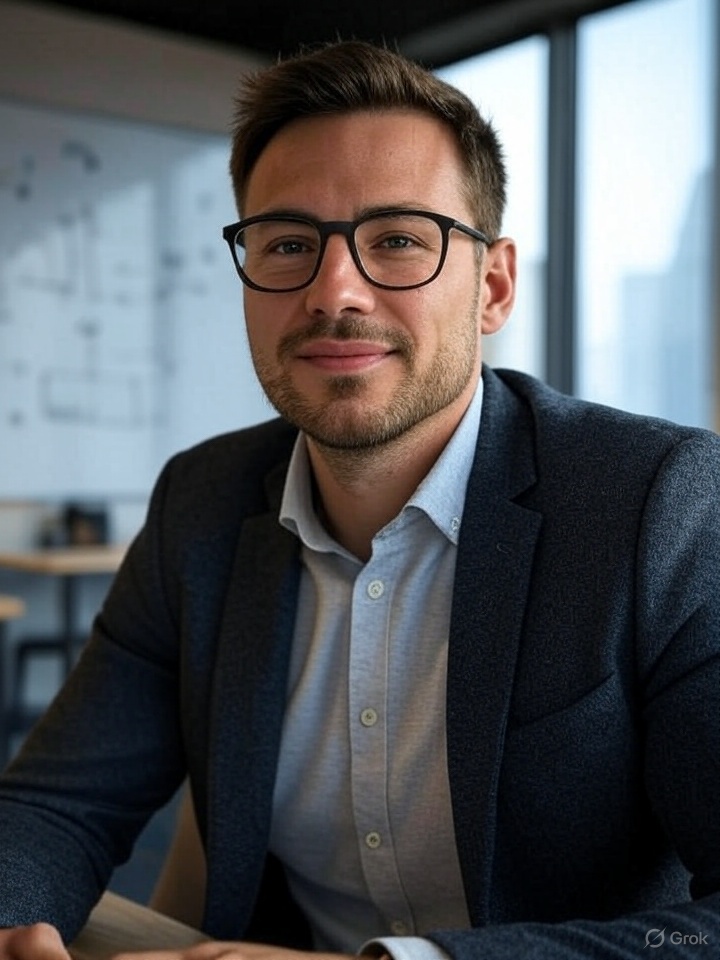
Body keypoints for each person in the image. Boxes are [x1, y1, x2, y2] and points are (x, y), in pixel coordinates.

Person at [0, 39, 719, 960]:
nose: (334, 292)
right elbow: (59, 801)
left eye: (398, 241)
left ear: (493, 286)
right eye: (290, 244)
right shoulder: (201, 504)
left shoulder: (659, 504)